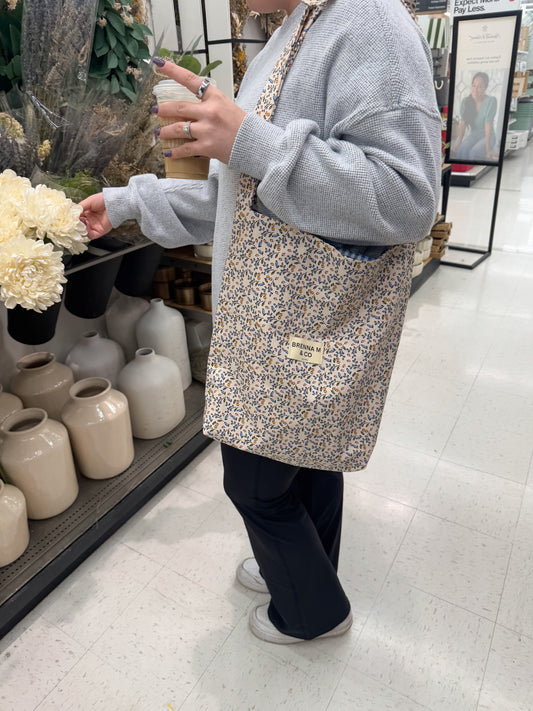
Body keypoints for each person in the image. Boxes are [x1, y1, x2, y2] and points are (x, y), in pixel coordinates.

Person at [80, 0, 441, 644]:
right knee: (306, 454)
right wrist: (128, 201)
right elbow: (234, 199)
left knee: (254, 482)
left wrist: (249, 138)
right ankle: (308, 570)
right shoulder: (296, 29)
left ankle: (311, 613)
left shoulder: (370, 24)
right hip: (274, 314)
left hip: (302, 317)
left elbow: (408, 199)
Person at [451, 71, 499, 162]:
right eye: (473, 85)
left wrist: (488, 150)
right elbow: (462, 124)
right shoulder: (466, 101)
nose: (475, 89)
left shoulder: (491, 101)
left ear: (485, 87)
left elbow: (488, 126)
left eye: (480, 86)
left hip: (488, 136)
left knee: (475, 152)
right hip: (474, 135)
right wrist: (458, 143)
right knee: (462, 150)